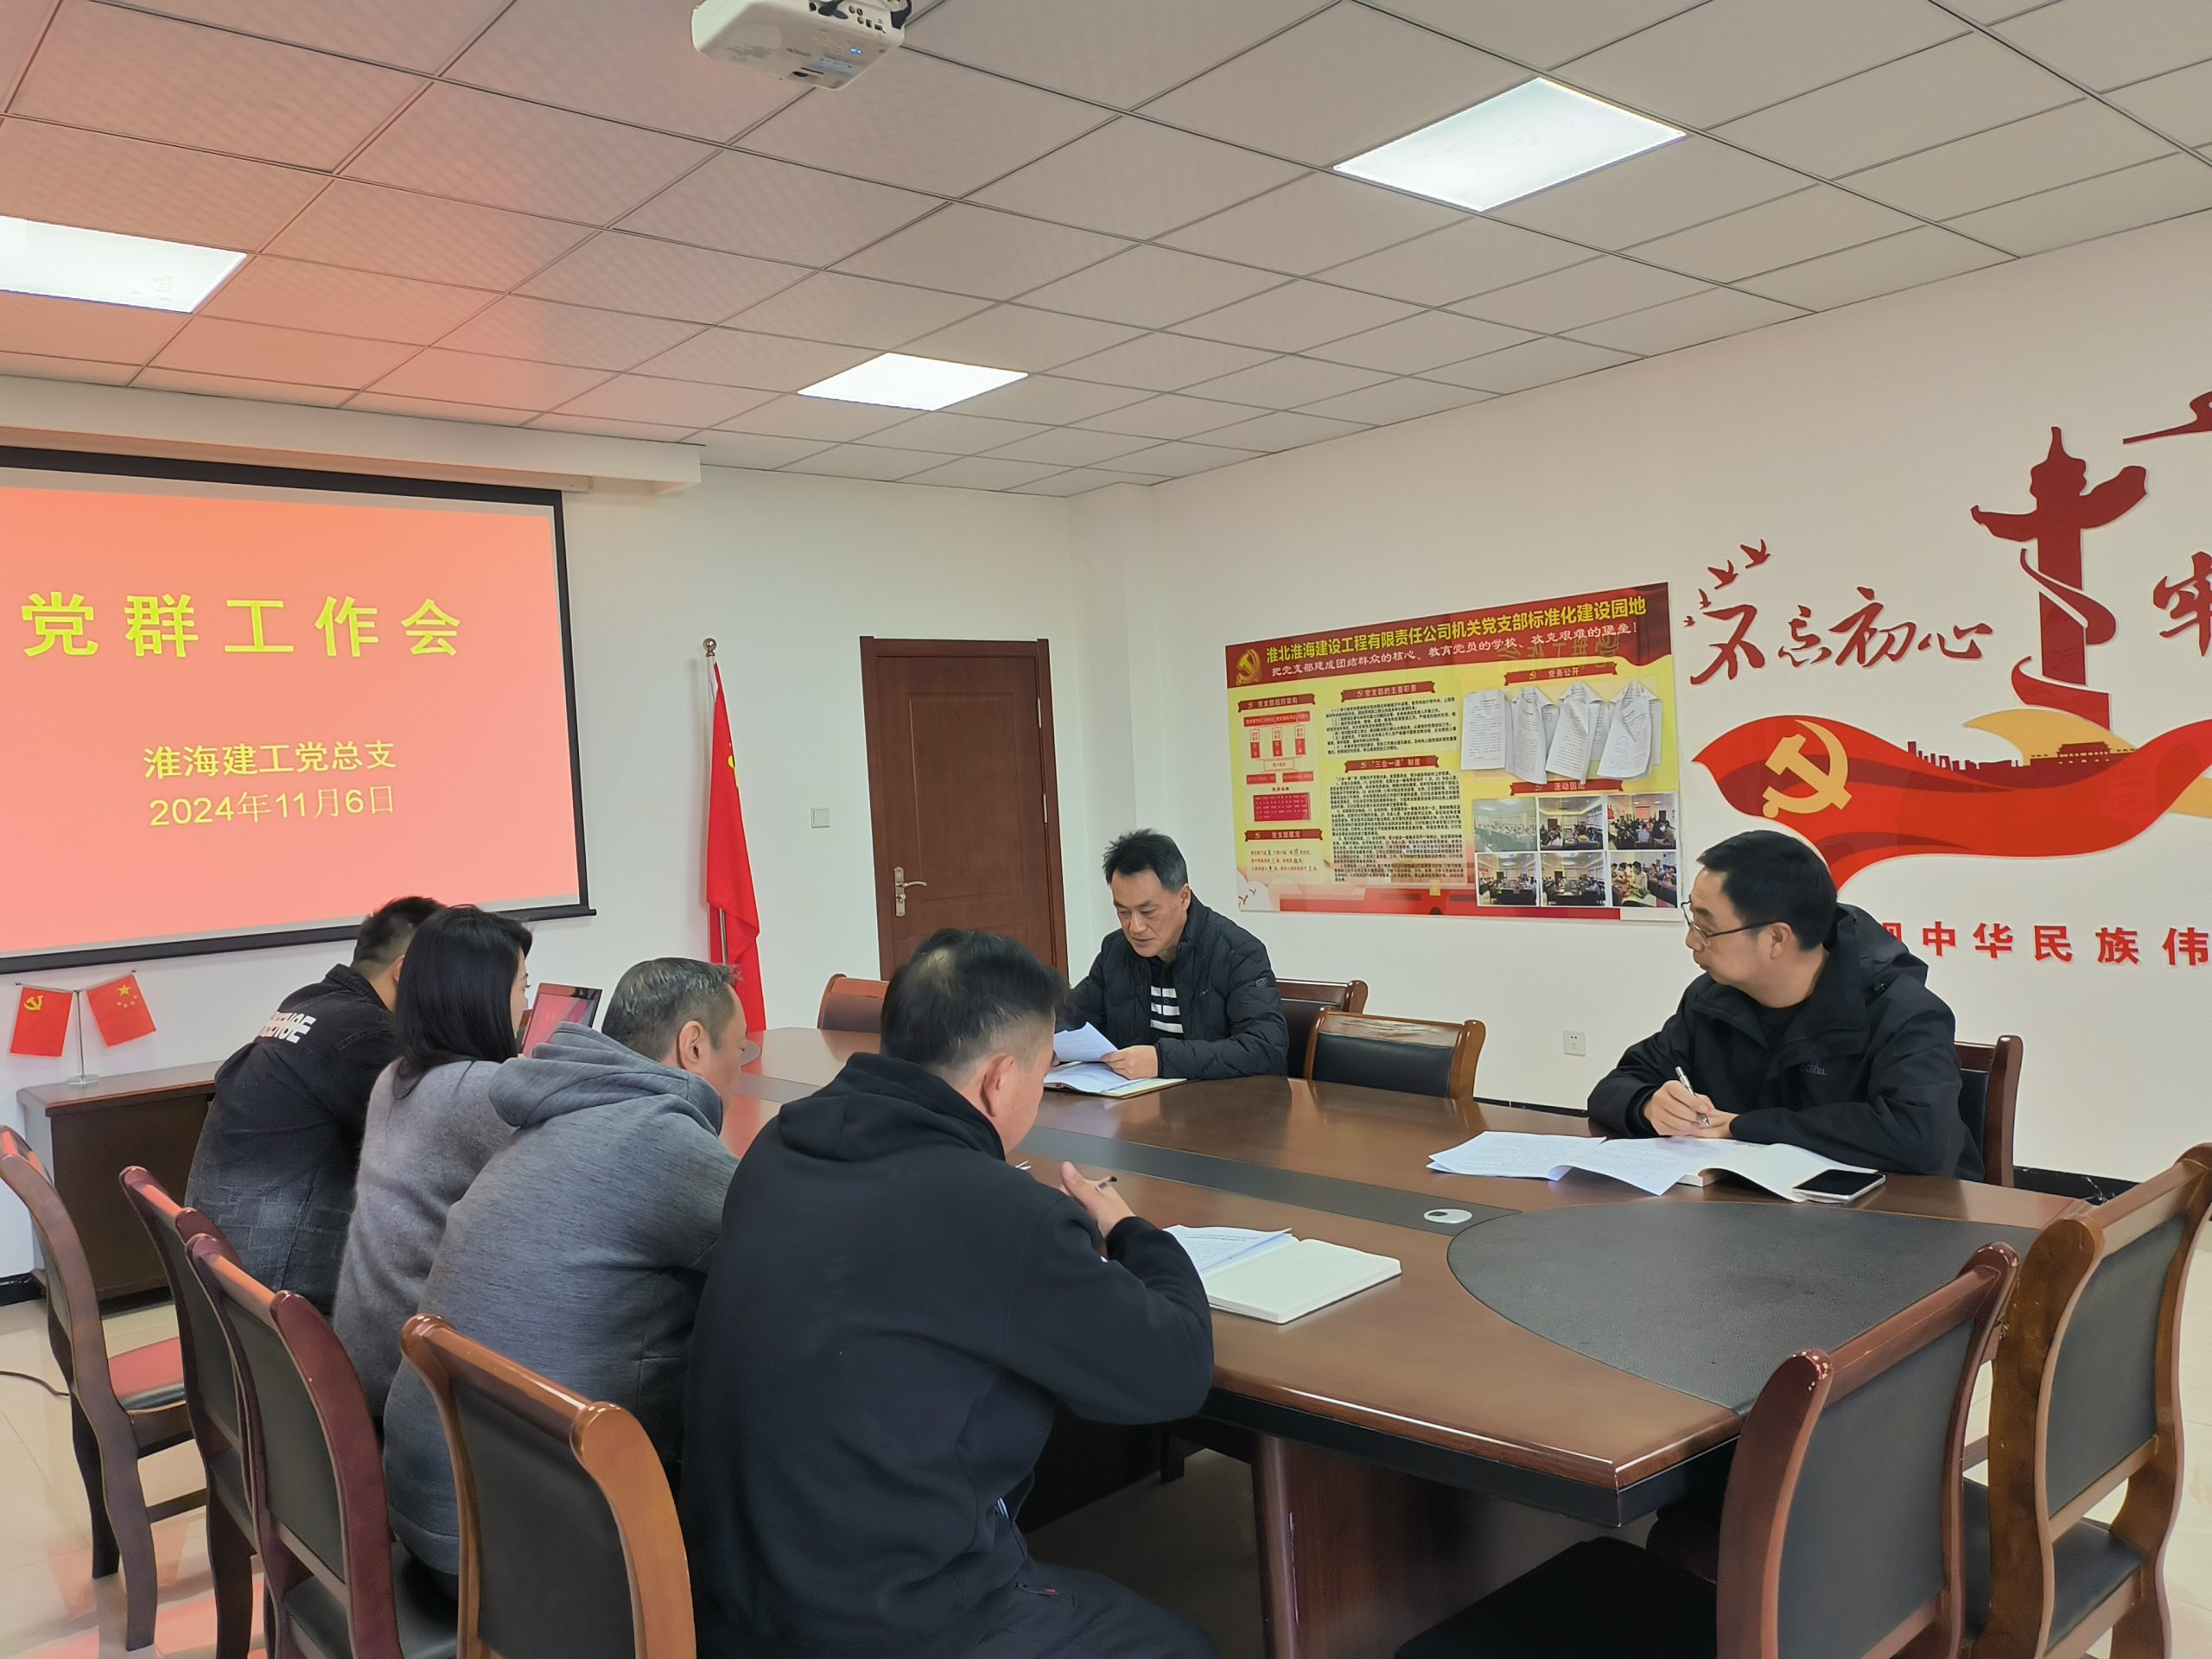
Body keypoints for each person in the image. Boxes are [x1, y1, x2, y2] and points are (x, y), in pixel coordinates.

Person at [683, 930, 1215, 1659]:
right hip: (887, 1625)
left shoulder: (776, 1150)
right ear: (1000, 1080)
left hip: (725, 1602)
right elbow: (1175, 1368)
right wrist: (1131, 1232)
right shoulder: (1001, 1214)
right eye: (1044, 1071)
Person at [380, 957, 748, 1579]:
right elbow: (790, 1261)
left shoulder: (551, 1115)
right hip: (517, 1557)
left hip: (434, 1508)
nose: (743, 1065)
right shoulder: (661, 1139)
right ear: (693, 1045)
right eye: (740, 1048)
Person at [1588, 830, 1973, 1177]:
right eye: (1693, 920)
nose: (1691, 941)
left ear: (1776, 939)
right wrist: (1648, 1104)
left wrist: (1743, 1126)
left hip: (1894, 1216)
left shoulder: (1904, 1013)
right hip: (1744, 1213)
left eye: (1707, 928)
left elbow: (1918, 1138)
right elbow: (1615, 1086)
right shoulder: (1710, 1000)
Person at [187, 895, 441, 1310]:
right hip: (283, 1283)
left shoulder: (309, 1002)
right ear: (406, 970)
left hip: (230, 1260)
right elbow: (430, 1144)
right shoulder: (365, 1032)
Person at [333, 905, 531, 1416]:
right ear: (485, 997)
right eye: (523, 988)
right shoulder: (482, 1090)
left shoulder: (397, 1076)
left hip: (368, 1354)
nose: (527, 1006)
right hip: (420, 1377)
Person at [1065, 830, 1286, 1080]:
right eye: (1124, 912)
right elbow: (1071, 1019)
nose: (1135, 927)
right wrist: (1048, 1045)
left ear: (1183, 898)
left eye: (1148, 912)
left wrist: (1162, 1061)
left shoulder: (1237, 953)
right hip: (1134, 1099)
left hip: (1221, 1100)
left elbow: (1266, 1048)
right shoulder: (1115, 951)